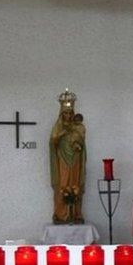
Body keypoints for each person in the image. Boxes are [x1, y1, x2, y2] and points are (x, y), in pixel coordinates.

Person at [49, 90, 86, 224]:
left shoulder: (78, 127)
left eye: (70, 113)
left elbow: (81, 140)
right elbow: (53, 140)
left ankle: (75, 213)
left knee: (75, 184)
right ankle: (61, 214)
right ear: (61, 114)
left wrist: (78, 144)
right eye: (66, 113)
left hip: (75, 159)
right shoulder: (57, 127)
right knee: (63, 184)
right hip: (62, 160)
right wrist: (63, 133)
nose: (68, 116)